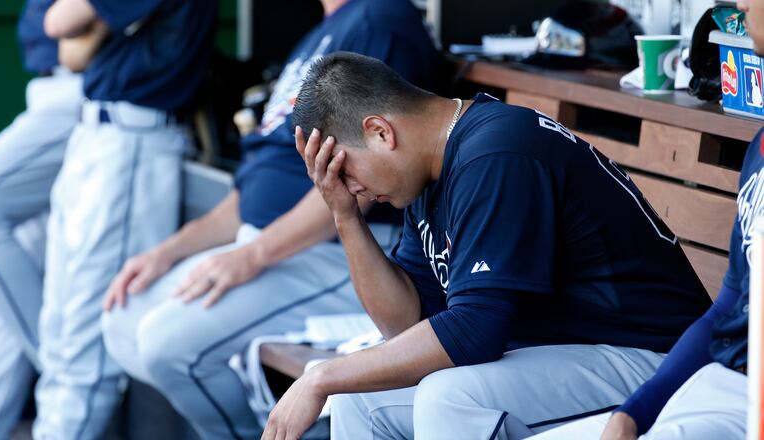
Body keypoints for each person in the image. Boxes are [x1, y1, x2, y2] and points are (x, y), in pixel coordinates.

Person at [261, 51, 714, 440]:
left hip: (651, 362)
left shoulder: (495, 153)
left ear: (381, 132)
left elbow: (476, 331)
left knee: (452, 398)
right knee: (358, 401)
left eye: (346, 173)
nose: (351, 188)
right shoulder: (425, 175)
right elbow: (403, 325)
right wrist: (344, 214)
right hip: (565, 356)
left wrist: (321, 376)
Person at [99, 0, 438, 438]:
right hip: (273, 246)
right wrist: (169, 251)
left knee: (171, 343)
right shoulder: (320, 34)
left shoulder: (379, 21)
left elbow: (361, 184)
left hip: (345, 252)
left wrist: (253, 255)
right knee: (123, 314)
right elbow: (250, 195)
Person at [525, 1, 762, 439]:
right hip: (715, 379)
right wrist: (633, 412)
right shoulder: (760, 145)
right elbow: (729, 302)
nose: (741, 4)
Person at [39, 0, 216, 437]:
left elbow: (58, 21)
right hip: (97, 136)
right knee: (59, 333)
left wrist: (93, 22)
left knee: (84, 350)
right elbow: (68, 52)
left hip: (131, 141)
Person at [0, 0, 106, 437]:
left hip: (86, 96)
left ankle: (65, 377)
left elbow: (73, 42)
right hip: (52, 92)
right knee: (9, 285)